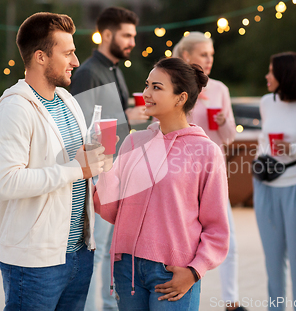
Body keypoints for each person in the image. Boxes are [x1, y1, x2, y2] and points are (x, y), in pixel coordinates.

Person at [0, 12, 107, 311]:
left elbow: (81, 166)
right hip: (35, 263)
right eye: (67, 53)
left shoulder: (68, 101)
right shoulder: (14, 109)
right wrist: (76, 168)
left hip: (79, 254)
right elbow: (5, 183)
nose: (76, 61)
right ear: (41, 57)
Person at [93, 57, 230, 311]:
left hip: (174, 273)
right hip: (128, 270)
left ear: (180, 98)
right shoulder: (133, 143)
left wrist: (194, 271)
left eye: (157, 87)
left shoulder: (206, 152)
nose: (146, 93)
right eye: (147, 85)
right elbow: (112, 212)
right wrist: (105, 167)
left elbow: (218, 228)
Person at [70, 6, 147, 311]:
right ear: (108, 34)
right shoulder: (89, 71)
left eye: (133, 36)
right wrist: (126, 116)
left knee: (112, 249)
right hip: (97, 174)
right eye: (127, 35)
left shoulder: (114, 68)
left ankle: (108, 304)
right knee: (98, 249)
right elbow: (81, 126)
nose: (132, 42)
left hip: (115, 172)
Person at [172, 32, 244, 311]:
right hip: (181, 175)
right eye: (204, 54)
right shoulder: (174, 86)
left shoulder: (220, 89)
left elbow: (229, 138)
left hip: (213, 176)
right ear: (187, 56)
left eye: (212, 55)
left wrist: (226, 122)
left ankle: (231, 301)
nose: (210, 60)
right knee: (180, 241)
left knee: (229, 240)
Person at [253, 52, 296, 311]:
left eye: (272, 71)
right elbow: (263, 140)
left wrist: (291, 149)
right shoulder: (266, 102)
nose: (267, 76)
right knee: (272, 260)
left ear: (286, 76)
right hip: (265, 186)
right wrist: (260, 163)